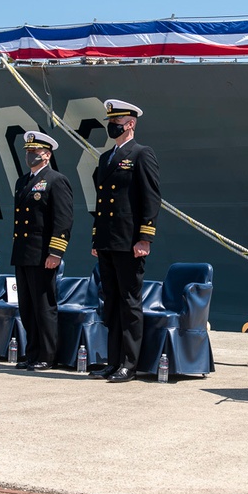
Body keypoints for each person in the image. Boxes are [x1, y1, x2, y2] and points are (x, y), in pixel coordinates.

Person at [88, 99, 160, 383]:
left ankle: (129, 364)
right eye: (110, 120)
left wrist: (145, 237)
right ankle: (113, 360)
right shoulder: (106, 157)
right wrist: (97, 237)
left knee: (129, 303)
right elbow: (101, 202)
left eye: (117, 121)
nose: (112, 125)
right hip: (108, 240)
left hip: (129, 241)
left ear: (130, 123)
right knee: (111, 303)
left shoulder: (142, 154)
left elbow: (151, 198)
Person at [10, 132, 73, 370]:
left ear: (47, 154)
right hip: (24, 253)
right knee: (27, 307)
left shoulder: (56, 180)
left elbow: (63, 219)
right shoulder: (22, 182)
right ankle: (33, 352)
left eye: (35, 151)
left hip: (42, 254)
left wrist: (55, 252)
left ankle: (48, 354)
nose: (30, 155)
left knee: (44, 306)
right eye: (28, 151)